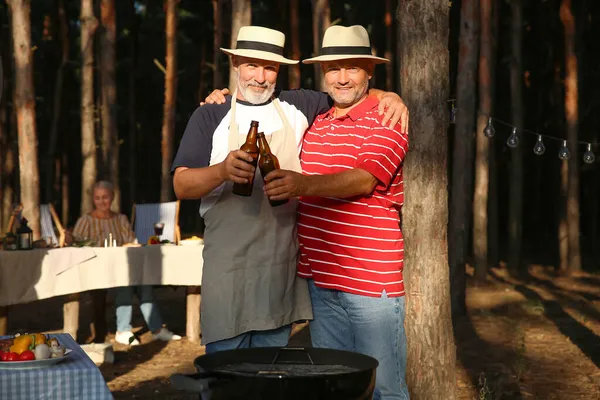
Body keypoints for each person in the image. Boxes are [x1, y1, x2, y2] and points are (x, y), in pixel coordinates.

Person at [172, 25, 408, 354]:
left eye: (269, 67)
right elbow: (181, 184)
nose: (259, 76)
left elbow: (351, 92)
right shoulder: (210, 114)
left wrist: (389, 96)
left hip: (279, 271)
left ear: (279, 71)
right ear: (236, 64)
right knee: (225, 380)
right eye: (251, 65)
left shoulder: (300, 105)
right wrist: (222, 171)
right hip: (227, 273)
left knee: (271, 376)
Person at [263, 25, 410, 399]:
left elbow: (363, 180)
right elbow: (258, 92)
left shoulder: (387, 118)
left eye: (353, 68)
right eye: (334, 69)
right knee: (337, 387)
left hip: (369, 283)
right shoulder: (318, 123)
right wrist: (224, 94)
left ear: (369, 72)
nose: (342, 78)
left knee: (385, 390)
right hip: (322, 282)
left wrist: (300, 185)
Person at [72, 180, 181, 346]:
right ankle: (123, 330)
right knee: (125, 281)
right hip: (97, 269)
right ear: (93, 200)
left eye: (105, 197)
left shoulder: (121, 219)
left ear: (112, 198)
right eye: (98, 198)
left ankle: (157, 329)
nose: (102, 201)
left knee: (143, 282)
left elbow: (131, 242)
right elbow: (76, 244)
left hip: (122, 265)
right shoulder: (86, 221)